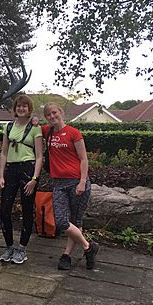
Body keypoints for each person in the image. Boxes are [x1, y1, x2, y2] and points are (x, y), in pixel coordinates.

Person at [41, 102, 99, 270]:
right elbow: (31, 125)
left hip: (77, 182)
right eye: (48, 115)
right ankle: (88, 247)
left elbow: (83, 159)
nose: (52, 117)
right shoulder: (47, 131)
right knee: (61, 221)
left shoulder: (74, 133)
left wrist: (82, 182)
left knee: (75, 220)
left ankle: (66, 256)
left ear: (61, 112)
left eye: (54, 113)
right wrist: (35, 121)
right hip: (58, 183)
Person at [0, 94, 43, 264]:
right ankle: (9, 246)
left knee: (26, 209)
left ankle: (22, 248)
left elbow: (39, 156)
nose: (21, 108)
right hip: (11, 170)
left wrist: (35, 178)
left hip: (28, 170)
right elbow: (3, 152)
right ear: (15, 109)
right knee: (4, 211)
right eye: (18, 106)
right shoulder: (8, 127)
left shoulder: (35, 128)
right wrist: (1, 175)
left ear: (29, 109)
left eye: (24, 106)